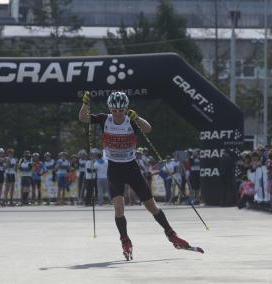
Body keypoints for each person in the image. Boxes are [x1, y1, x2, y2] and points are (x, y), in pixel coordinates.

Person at [79, 91, 198, 260]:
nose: (118, 113)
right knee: (119, 207)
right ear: (110, 109)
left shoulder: (131, 120)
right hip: (114, 169)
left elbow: (148, 129)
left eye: (121, 110)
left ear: (126, 108)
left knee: (151, 206)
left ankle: (171, 235)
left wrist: (138, 118)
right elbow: (83, 118)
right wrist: (85, 104)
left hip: (131, 167)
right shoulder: (105, 119)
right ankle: (125, 240)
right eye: (114, 110)